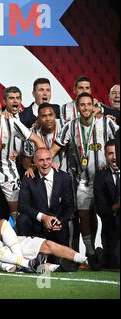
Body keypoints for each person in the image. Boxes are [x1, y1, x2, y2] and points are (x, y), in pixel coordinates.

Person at [51, 92, 118, 265]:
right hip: (83, 181)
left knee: (109, 215)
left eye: (89, 104)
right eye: (82, 105)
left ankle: (111, 252)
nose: (86, 108)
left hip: (105, 180)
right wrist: (45, 161)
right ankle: (90, 252)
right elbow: (54, 148)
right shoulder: (70, 127)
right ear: (77, 107)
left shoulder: (106, 123)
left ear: (94, 106)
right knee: (84, 216)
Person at [18, 148, 74, 249]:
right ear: (34, 162)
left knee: (60, 262)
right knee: (22, 219)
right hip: (37, 222)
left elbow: (69, 207)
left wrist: (58, 222)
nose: (45, 163)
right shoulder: (28, 178)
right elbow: (22, 206)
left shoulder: (64, 178)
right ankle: (25, 258)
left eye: (48, 159)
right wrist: (43, 218)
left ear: (52, 160)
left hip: (57, 222)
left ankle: (64, 259)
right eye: (41, 160)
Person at [93, 140, 120, 269]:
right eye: (110, 154)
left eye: (117, 153)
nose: (114, 157)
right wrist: (116, 207)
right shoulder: (100, 177)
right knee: (115, 264)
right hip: (112, 229)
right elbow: (100, 209)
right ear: (105, 155)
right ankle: (101, 254)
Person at [23, 103, 67, 172]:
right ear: (38, 118)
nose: (48, 119)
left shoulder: (65, 126)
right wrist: (31, 169)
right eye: (44, 116)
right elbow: (27, 161)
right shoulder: (32, 133)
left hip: (64, 174)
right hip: (41, 176)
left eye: (50, 115)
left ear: (55, 115)